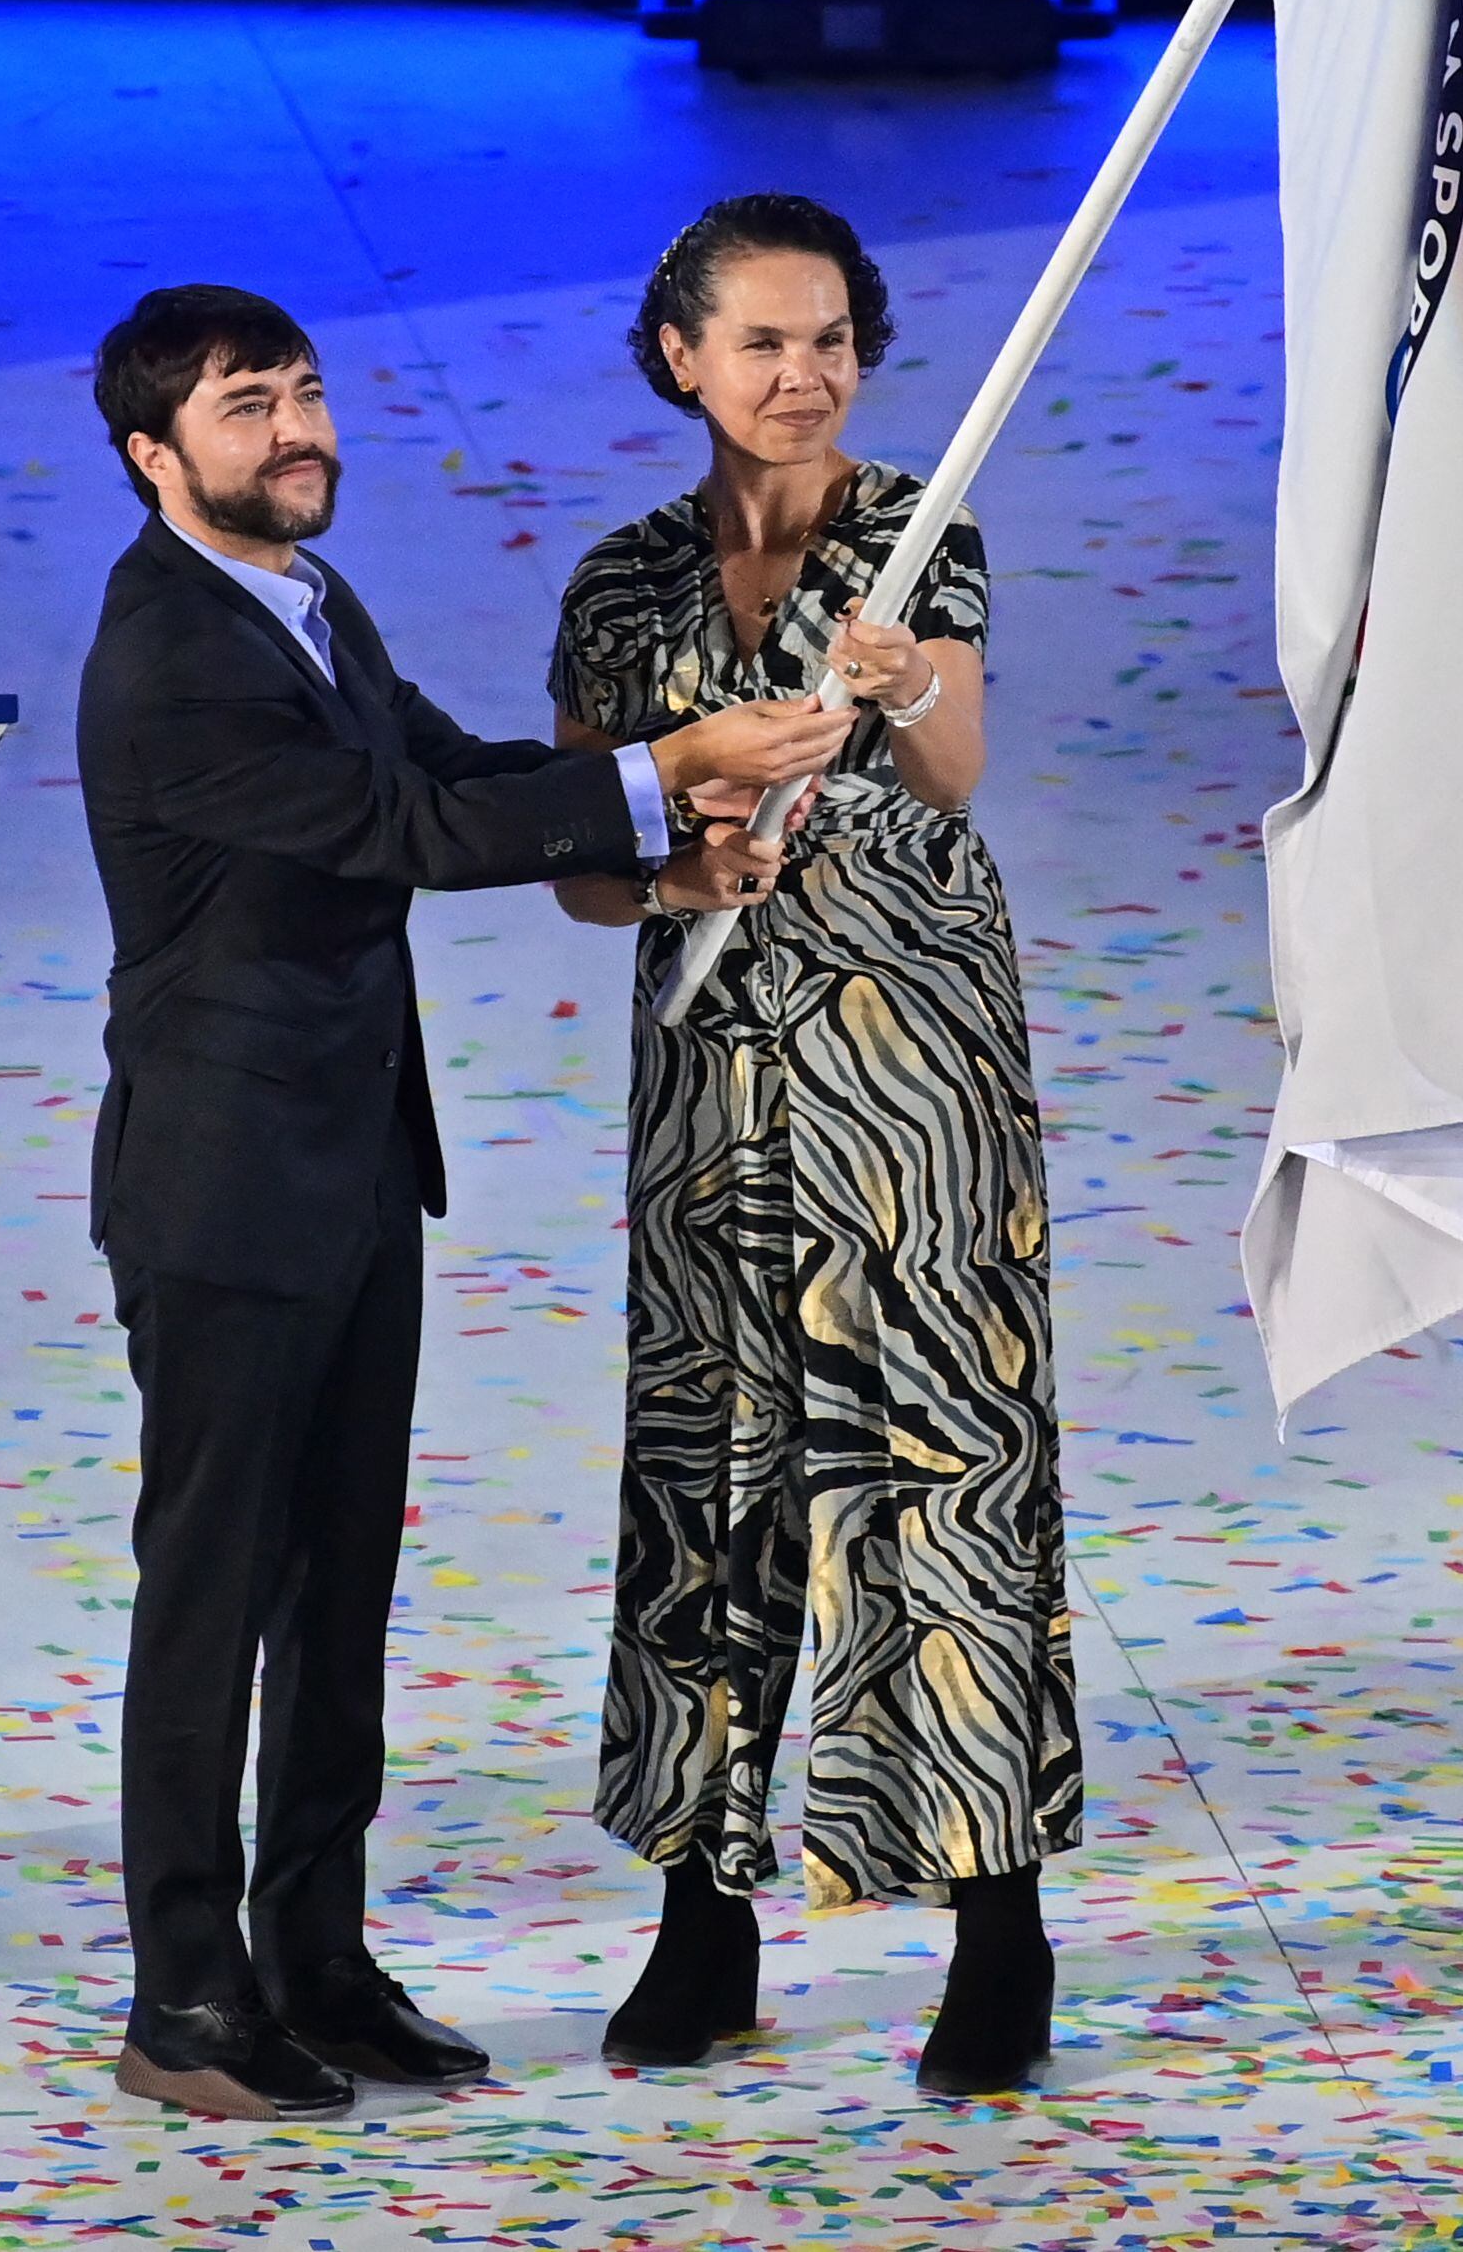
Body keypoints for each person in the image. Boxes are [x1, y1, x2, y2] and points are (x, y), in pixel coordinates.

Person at [73, 283, 852, 2122]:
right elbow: (397, 838)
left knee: (339, 1591)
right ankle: (188, 1998)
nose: (295, 428)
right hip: (223, 1192)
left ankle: (319, 1963)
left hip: (348, 1175)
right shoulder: (173, 650)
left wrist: (663, 844)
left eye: (305, 390)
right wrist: (672, 768)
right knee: (212, 1596)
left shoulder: (305, 602)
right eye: (247, 405)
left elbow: (447, 767)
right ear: (152, 457)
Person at [544, 195, 1079, 2100]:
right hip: (710, 1084)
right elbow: (584, 878)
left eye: (833, 336)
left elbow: (952, 771)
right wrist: (675, 855)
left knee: (943, 1462)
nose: (805, 373)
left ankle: (992, 1920)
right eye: (764, 341)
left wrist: (901, 676)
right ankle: (704, 1908)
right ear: (679, 353)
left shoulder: (916, 530)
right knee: (708, 1468)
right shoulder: (619, 586)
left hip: (907, 1064)